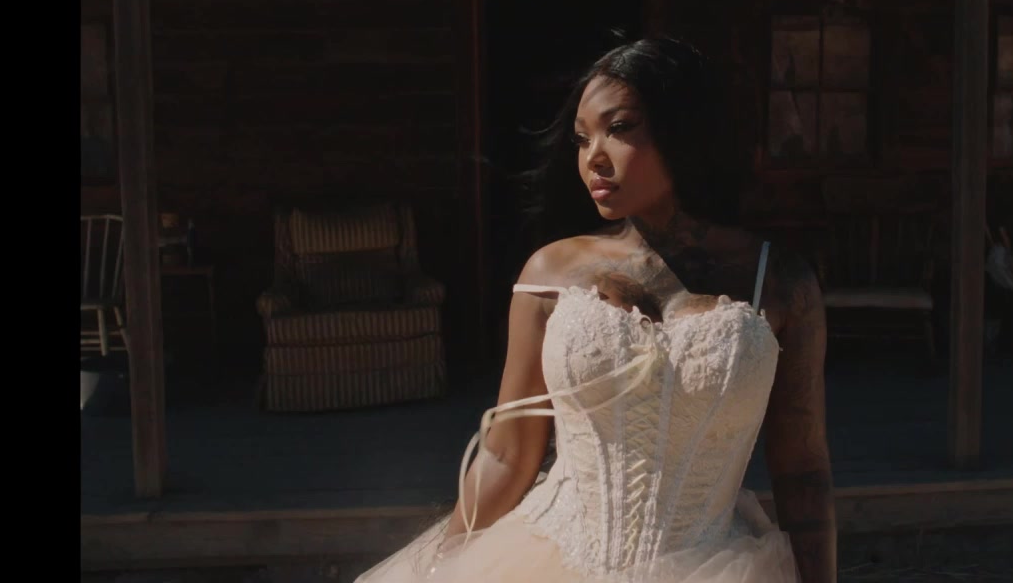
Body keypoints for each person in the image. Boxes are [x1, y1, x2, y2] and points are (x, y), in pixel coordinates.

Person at [356, 37, 835, 583]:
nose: (593, 158)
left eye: (619, 128)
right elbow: (508, 455)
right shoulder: (550, 271)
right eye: (582, 139)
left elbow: (803, 472)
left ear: (683, 128)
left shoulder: (780, 282)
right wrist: (444, 564)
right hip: (550, 561)